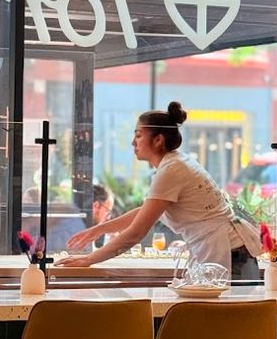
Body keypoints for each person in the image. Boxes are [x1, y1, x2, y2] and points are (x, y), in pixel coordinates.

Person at [58, 102, 259, 273]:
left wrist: (89, 259)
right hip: (229, 252)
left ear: (158, 140)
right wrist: (98, 230)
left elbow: (137, 232)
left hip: (230, 255)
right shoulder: (175, 164)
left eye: (138, 135)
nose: (132, 142)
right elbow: (145, 212)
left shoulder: (172, 169)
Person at [91, 182, 115, 248]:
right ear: (96, 206)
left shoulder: (91, 230)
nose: (108, 217)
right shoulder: (77, 228)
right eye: (107, 211)